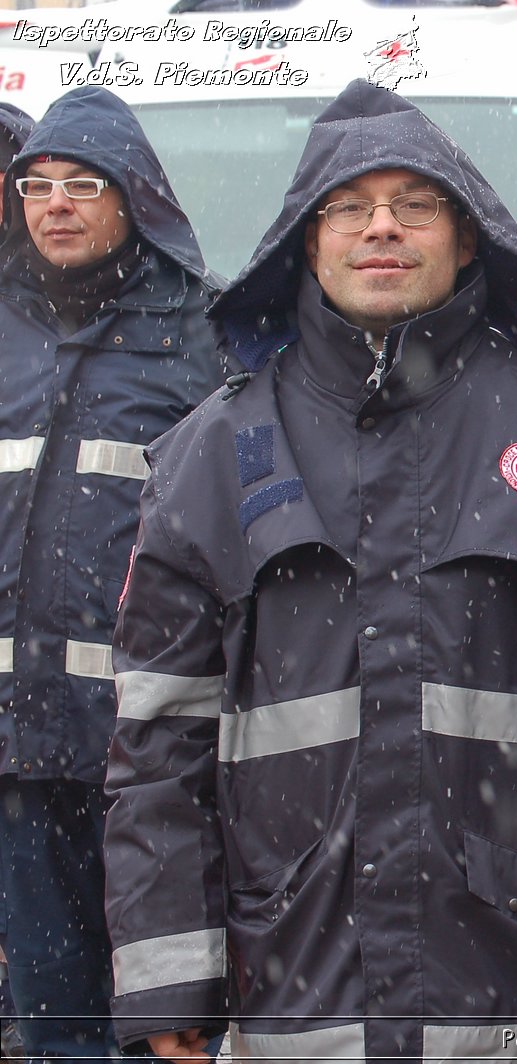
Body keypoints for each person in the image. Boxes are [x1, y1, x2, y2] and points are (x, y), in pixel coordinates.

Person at [102, 80, 517, 1062]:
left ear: (466, 237)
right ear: (308, 239)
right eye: (348, 206)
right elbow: (159, 742)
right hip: (297, 1003)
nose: (379, 228)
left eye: (414, 205)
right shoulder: (214, 452)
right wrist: (172, 969)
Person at [0, 87, 224, 1062]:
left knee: (159, 1019)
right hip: (20, 755)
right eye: (37, 186)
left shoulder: (201, 343)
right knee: (55, 1023)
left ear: (133, 198)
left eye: (82, 185)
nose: (56, 205)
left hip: (152, 761)